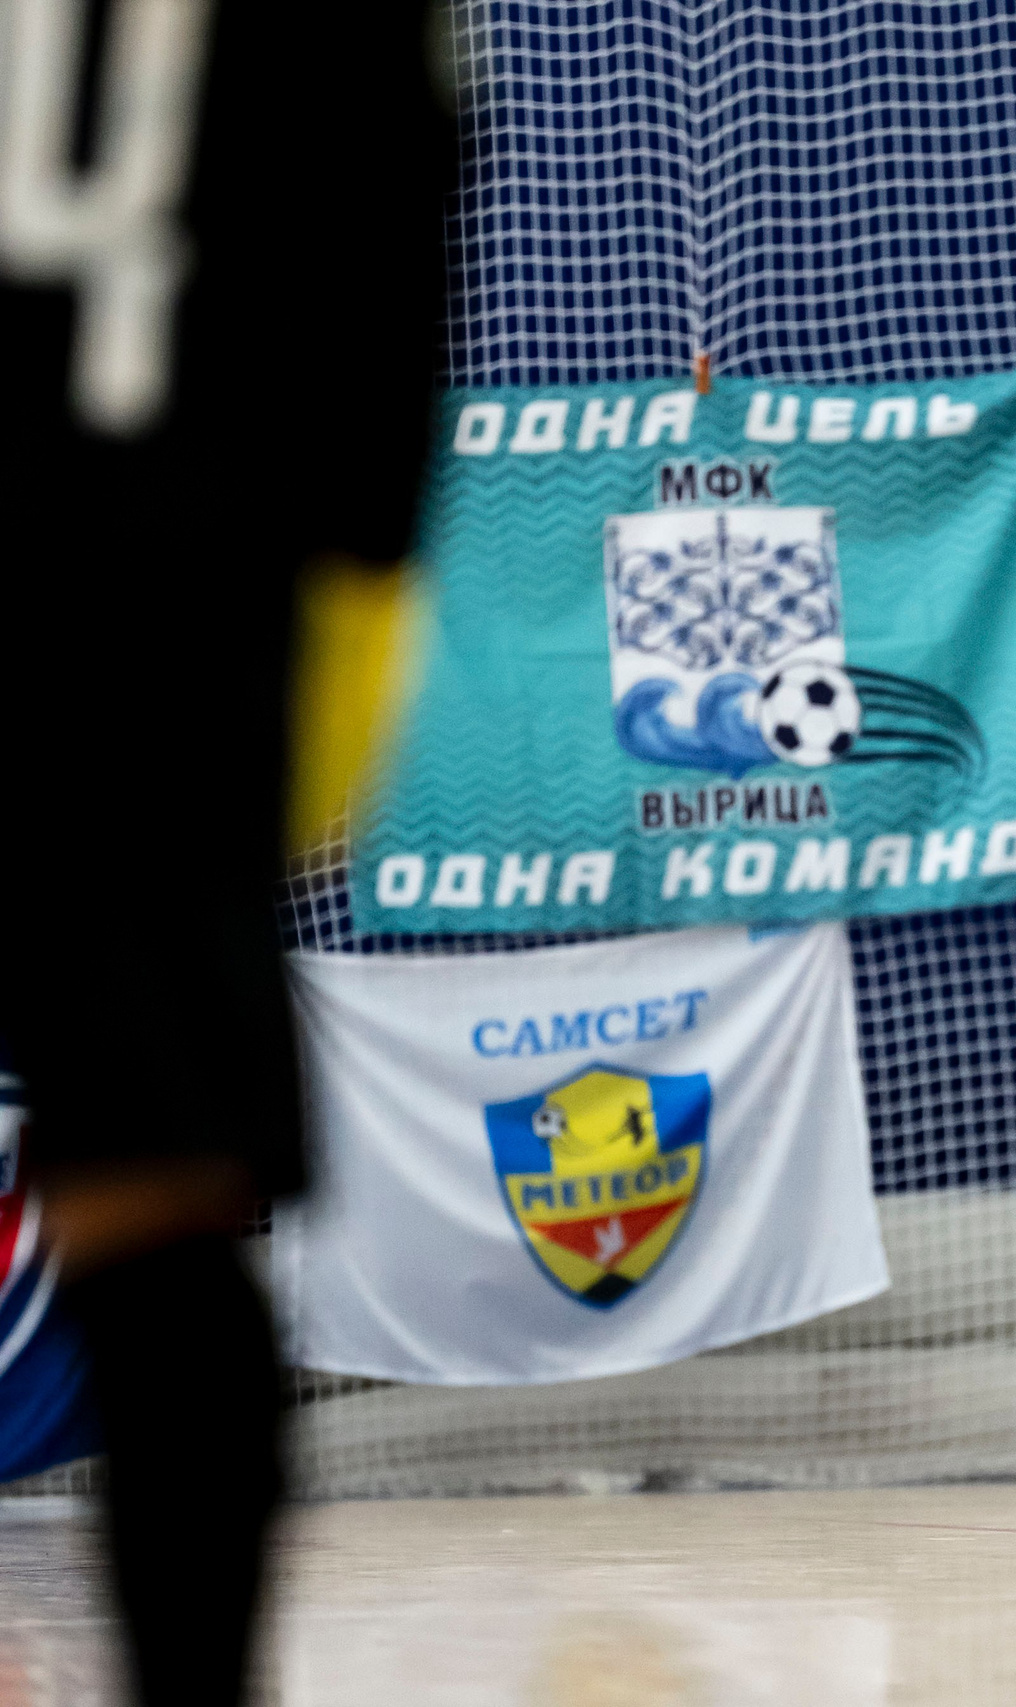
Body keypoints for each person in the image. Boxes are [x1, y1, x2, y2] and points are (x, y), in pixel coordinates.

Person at [0, 5, 449, 1698]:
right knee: (161, 1221)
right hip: (164, 618)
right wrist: (324, 685)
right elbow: (383, 330)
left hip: (144, 600)